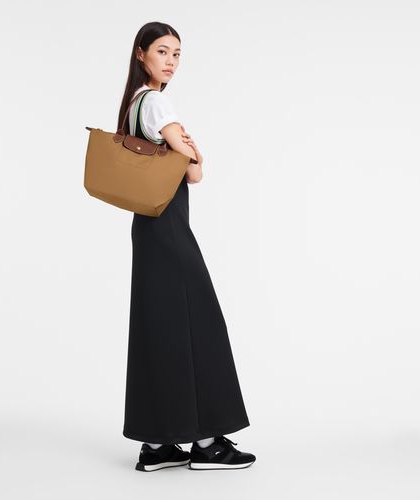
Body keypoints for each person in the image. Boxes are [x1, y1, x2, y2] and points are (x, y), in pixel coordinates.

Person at [118, 21, 256, 472]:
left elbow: (187, 165)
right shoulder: (156, 101)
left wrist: (188, 153)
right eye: (162, 51)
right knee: (201, 326)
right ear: (141, 54)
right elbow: (194, 171)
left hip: (149, 231)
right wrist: (194, 151)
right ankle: (209, 444)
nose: (171, 62)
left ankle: (157, 445)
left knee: (160, 330)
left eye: (177, 54)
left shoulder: (133, 104)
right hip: (171, 232)